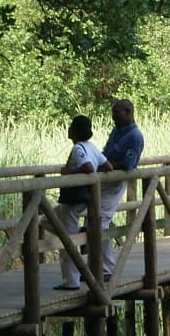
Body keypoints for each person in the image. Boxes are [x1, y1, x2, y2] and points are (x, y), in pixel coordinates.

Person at [53, 115, 104, 291]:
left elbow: (89, 167)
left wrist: (68, 172)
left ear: (74, 130)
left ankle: (71, 281)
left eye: (71, 126)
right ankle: (81, 233)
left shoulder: (78, 149)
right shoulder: (92, 147)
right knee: (45, 220)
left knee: (68, 241)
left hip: (72, 201)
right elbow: (108, 166)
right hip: (83, 200)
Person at [97, 98, 144, 280]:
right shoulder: (116, 131)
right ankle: (95, 266)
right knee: (92, 222)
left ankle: (106, 269)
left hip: (114, 182)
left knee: (101, 220)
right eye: (113, 112)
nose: (113, 116)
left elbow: (128, 164)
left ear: (128, 112)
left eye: (117, 112)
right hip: (102, 181)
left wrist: (106, 166)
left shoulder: (134, 136)